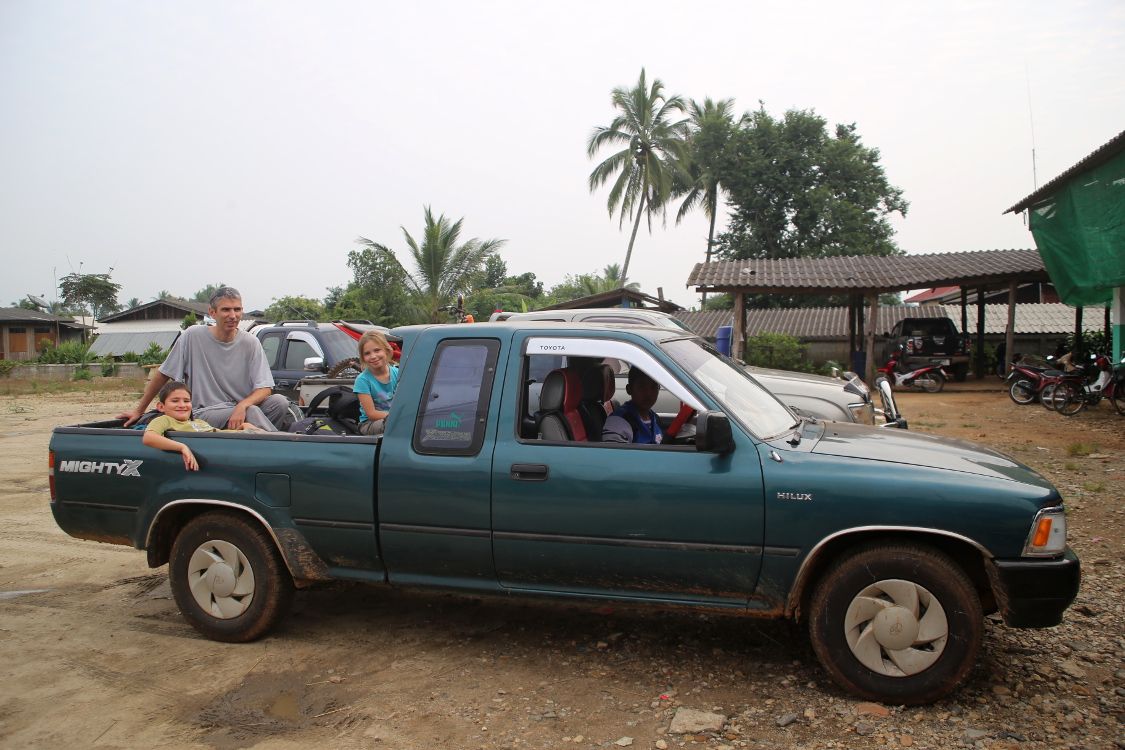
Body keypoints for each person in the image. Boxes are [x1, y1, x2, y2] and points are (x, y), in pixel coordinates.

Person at [118, 287, 290, 431]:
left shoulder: (250, 342)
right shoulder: (193, 335)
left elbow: (265, 389)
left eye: (237, 309)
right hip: (206, 411)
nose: (232, 315)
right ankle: (280, 450)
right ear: (212, 313)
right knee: (251, 411)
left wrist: (241, 406)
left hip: (240, 407)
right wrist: (139, 410)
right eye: (226, 310)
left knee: (279, 402)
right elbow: (163, 374)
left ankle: (254, 446)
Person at [142, 381, 264, 470]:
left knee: (276, 436)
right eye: (175, 401)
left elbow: (218, 434)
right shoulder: (166, 420)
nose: (182, 405)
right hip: (237, 445)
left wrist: (242, 427)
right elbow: (149, 437)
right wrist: (182, 447)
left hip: (241, 436)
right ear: (161, 407)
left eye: (186, 401)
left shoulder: (198, 422)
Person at [352, 330, 400, 436]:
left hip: (397, 419)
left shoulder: (398, 373)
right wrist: (398, 417)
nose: (373, 356)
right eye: (367, 353)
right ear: (363, 358)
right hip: (370, 424)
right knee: (395, 424)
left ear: (386, 350)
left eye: (377, 350)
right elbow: (372, 414)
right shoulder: (363, 380)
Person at [602, 368, 664, 444]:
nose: (648, 393)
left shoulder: (654, 417)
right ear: (629, 389)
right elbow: (614, 454)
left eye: (653, 387)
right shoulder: (618, 421)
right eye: (641, 386)